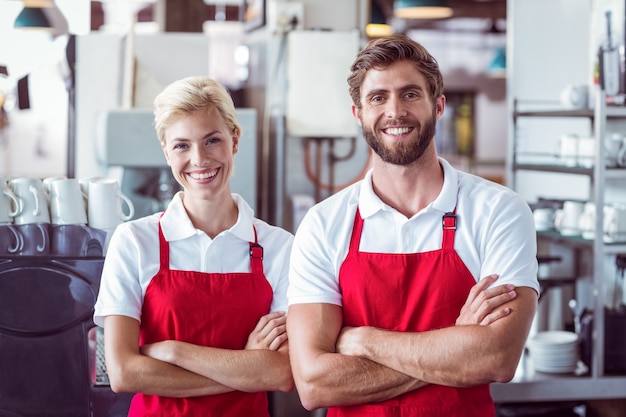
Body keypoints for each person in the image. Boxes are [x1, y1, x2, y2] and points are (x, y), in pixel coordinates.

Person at [286, 34, 539, 417]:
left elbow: (498, 358)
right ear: (358, 114)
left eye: (409, 94)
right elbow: (313, 383)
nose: (394, 111)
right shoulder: (324, 224)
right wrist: (456, 349)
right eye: (377, 98)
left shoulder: (499, 211)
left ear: (438, 106)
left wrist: (364, 340)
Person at [93, 76, 294, 417]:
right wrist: (246, 367)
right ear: (166, 152)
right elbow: (123, 372)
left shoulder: (278, 247)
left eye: (212, 140)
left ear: (235, 139)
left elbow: (283, 373)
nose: (199, 159)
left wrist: (173, 351)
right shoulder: (135, 242)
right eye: (182, 145)